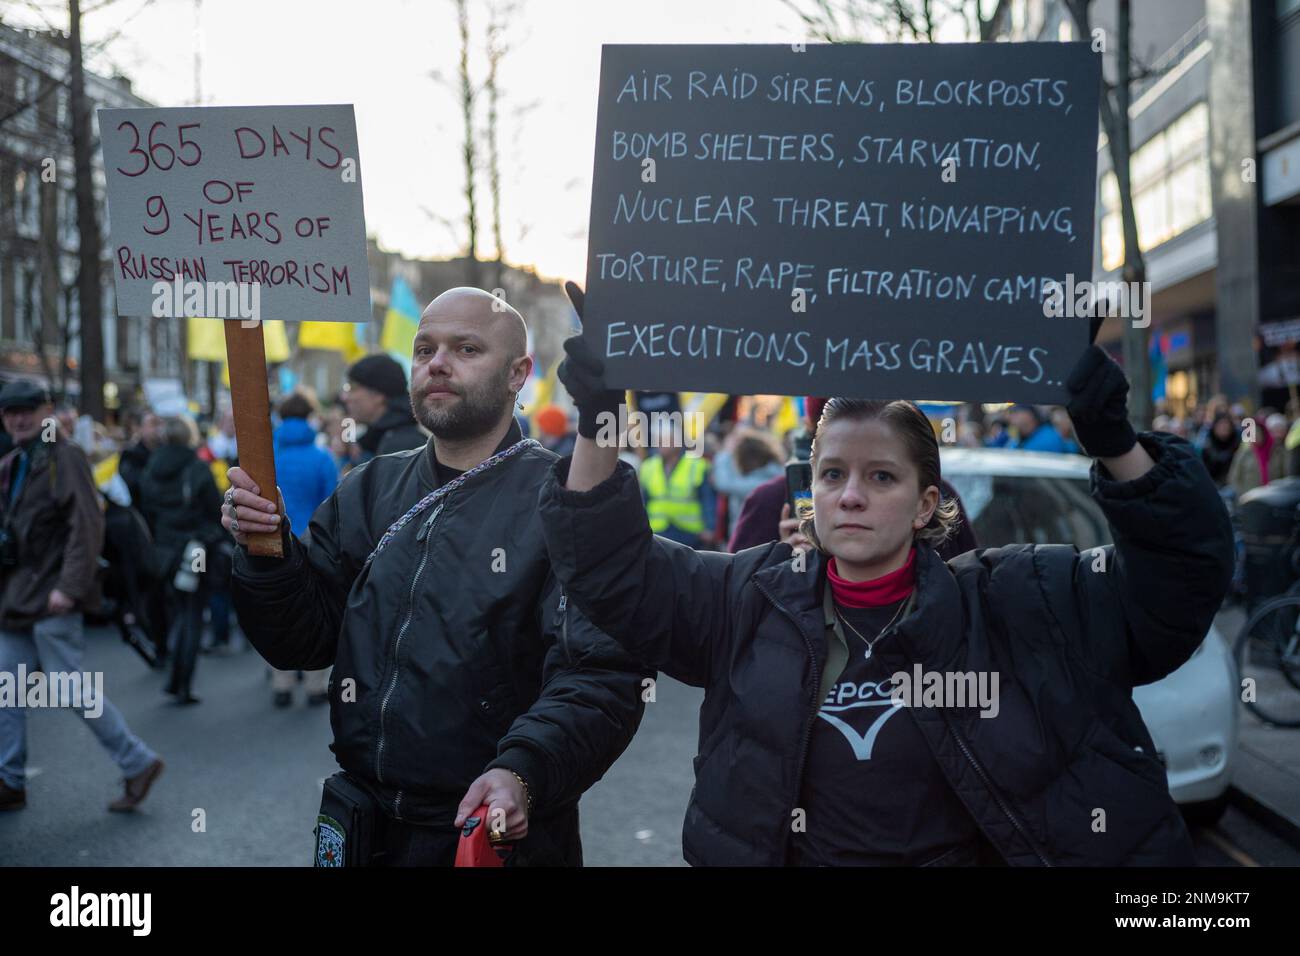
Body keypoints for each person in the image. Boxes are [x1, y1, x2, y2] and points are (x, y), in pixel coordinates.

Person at [542, 316, 1234, 866]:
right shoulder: (745, 599)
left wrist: (1116, 442)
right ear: (809, 492)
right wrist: (601, 417)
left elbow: (1176, 582)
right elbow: (611, 569)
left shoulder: (1020, 600)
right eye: (833, 474)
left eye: (881, 477)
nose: (850, 496)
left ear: (927, 502)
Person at [224, 286, 644, 866]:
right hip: (364, 825)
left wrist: (522, 771)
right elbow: (303, 640)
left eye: (466, 348)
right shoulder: (368, 488)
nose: (437, 363)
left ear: (518, 373)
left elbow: (601, 677)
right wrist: (265, 555)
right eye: (425, 350)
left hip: (489, 833)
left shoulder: (567, 504)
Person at [0, 380, 164, 812]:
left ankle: (137, 762)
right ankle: (9, 780)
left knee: (69, 689)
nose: (17, 418)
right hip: (19, 596)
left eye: (26, 410)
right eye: (9, 411)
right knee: (7, 688)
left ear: (46, 410)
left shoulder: (63, 456)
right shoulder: (17, 461)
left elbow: (87, 525)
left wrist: (68, 588)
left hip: (51, 595)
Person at [139, 416, 225, 704]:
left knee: (176, 610)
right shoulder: (198, 468)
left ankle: (172, 666)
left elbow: (146, 509)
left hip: (164, 550)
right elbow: (216, 511)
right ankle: (182, 682)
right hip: (194, 550)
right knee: (192, 614)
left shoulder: (152, 466)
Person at [269, 391, 339, 707]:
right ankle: (315, 684)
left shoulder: (267, 455)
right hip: (314, 540)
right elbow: (333, 502)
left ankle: (281, 680)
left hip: (274, 539)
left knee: (277, 611)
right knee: (315, 610)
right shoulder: (323, 457)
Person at [639, 426, 716, 550]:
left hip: (689, 532)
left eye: (663, 441)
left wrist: (710, 528)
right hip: (658, 530)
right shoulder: (648, 466)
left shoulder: (697, 465)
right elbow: (642, 501)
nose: (659, 445)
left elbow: (707, 499)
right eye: (658, 441)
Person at [343, 354, 427, 461]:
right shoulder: (377, 440)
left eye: (352, 388)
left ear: (378, 395)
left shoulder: (401, 447)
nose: (345, 397)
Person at [711, 427, 784, 540]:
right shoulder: (775, 474)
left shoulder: (757, 484)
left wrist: (726, 452)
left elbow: (724, 483)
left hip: (751, 543)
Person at [1007, 404, 1072, 453]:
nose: (1011, 417)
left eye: (1016, 412)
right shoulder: (1016, 439)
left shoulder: (1049, 437)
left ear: (1030, 415)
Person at [1200, 412, 1240, 487]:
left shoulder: (1238, 445)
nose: (1224, 427)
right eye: (1220, 425)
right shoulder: (1207, 447)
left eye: (1226, 424)